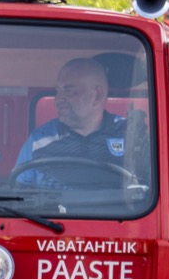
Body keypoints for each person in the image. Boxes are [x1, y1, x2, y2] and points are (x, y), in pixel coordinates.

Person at [14, 58, 136, 186]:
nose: (58, 98)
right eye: (58, 91)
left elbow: (145, 187)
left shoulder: (129, 136)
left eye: (69, 90)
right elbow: (19, 193)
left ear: (97, 95)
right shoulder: (38, 141)